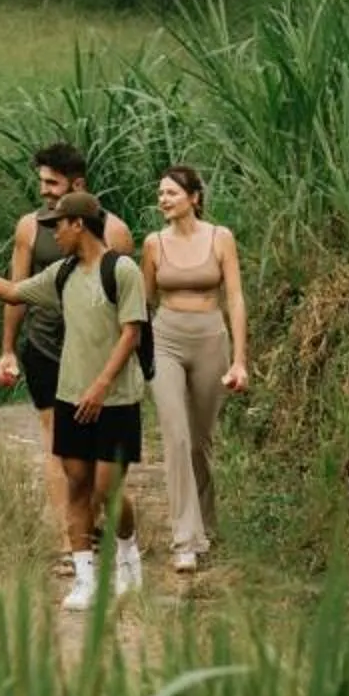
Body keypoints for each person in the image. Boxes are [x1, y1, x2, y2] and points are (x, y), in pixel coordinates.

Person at [0, 190, 147, 611]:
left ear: (79, 224)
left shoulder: (121, 270)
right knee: (77, 483)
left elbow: (131, 333)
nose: (53, 235)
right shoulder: (62, 273)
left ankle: (127, 556)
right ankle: (85, 578)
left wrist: (101, 385)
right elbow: (13, 292)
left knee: (107, 489)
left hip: (116, 398)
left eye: (58, 226)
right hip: (70, 396)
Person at [0, 143, 140, 592]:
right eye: (41, 182)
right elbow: (16, 290)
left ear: (77, 185)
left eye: (52, 183)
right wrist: (7, 349)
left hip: (93, 353)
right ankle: (71, 544)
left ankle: (102, 530)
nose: (43, 191)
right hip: (44, 347)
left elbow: (125, 309)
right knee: (58, 448)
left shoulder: (115, 232)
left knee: (98, 471)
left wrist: (117, 372)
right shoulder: (29, 227)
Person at [141, 165, 248, 572]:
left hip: (210, 338)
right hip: (165, 338)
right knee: (176, 435)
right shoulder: (153, 244)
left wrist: (240, 360)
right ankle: (185, 538)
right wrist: (136, 352)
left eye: (171, 193)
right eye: (160, 194)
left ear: (194, 198)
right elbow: (144, 302)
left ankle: (206, 522)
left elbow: (234, 299)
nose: (163, 200)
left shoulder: (221, 238)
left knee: (201, 440)